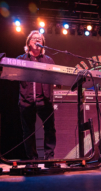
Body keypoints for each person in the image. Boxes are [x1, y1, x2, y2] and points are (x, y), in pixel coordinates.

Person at [17, 30, 58, 168]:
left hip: (44, 100)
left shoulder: (48, 60)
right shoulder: (21, 59)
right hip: (26, 100)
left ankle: (49, 158)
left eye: (39, 39)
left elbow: (56, 78)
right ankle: (32, 160)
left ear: (43, 44)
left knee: (50, 129)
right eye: (34, 38)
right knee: (28, 131)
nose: (37, 40)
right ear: (29, 42)